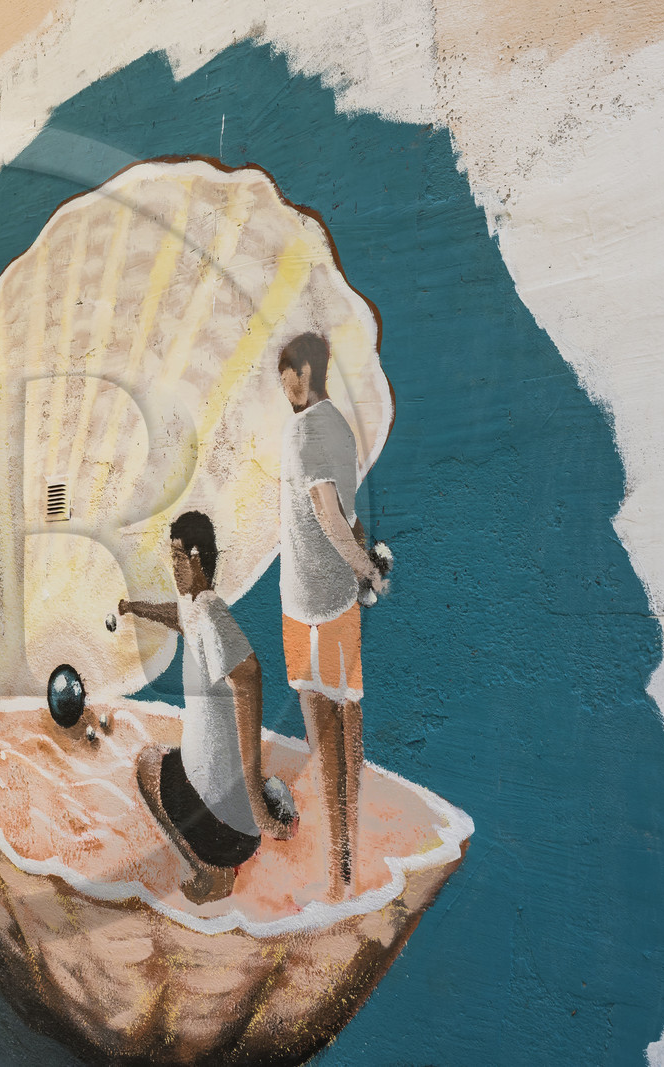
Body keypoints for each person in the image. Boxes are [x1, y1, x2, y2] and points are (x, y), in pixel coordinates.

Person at [120, 511, 294, 904]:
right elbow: (177, 616)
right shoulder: (196, 609)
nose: (174, 566)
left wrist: (254, 798)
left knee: (148, 765)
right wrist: (135, 607)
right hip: (231, 825)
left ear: (197, 557)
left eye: (178, 558)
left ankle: (209, 870)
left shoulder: (212, 614)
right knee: (175, 757)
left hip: (224, 832)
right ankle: (234, 839)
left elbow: (249, 676)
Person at [276, 332, 388, 901]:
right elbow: (347, 512)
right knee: (349, 728)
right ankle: (347, 865)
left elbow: (325, 513)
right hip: (340, 604)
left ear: (302, 372)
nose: (282, 384)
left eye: (284, 373)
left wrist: (364, 569)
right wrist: (364, 565)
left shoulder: (304, 432)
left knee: (325, 740)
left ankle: (337, 875)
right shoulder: (341, 427)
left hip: (307, 606)